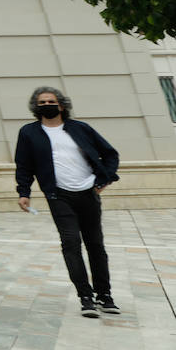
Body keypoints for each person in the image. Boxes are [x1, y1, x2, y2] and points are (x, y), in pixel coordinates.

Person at [14, 87, 121, 318]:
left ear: (61, 105)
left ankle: (104, 294)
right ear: (36, 107)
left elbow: (110, 154)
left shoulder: (80, 128)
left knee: (95, 245)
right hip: (58, 195)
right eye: (41, 102)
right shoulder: (29, 133)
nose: (46, 105)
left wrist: (105, 178)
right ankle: (85, 296)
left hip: (88, 193)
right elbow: (24, 165)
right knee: (71, 243)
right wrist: (24, 192)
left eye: (51, 101)